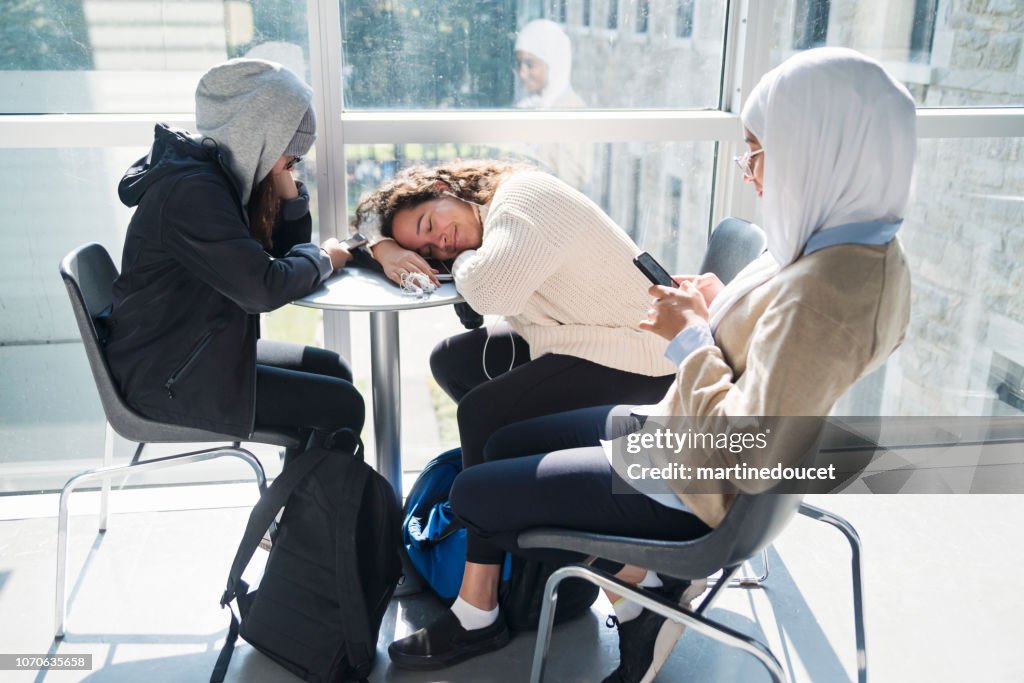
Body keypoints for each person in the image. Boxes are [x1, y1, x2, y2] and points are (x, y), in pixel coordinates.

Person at [448, 46, 916, 682]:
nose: (749, 170)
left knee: (475, 495)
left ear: (817, 148)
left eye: (758, 150)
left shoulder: (830, 293)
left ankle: (646, 588)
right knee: (501, 439)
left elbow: (748, 449)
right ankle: (644, 592)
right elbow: (779, 356)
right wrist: (721, 307)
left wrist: (692, 336)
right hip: (674, 429)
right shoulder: (841, 240)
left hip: (696, 479)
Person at [353, 162, 678, 668]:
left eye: (429, 228)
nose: (442, 245)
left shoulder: (523, 200)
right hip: (577, 335)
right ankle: (540, 519)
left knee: (485, 414)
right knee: (453, 361)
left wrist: (455, 264)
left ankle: (478, 610)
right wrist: (384, 247)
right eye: (431, 252)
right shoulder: (489, 208)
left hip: (640, 355)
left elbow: (490, 293)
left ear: (442, 189)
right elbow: (367, 221)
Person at [103, 58, 363, 459]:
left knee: (334, 372)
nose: (291, 167)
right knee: (341, 405)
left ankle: (304, 511)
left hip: (187, 352)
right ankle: (307, 518)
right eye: (289, 156)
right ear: (257, 136)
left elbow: (278, 255)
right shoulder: (192, 194)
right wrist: (324, 259)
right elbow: (262, 289)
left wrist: (284, 181)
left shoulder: (212, 176)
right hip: (166, 377)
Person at [512, 18, 592, 189]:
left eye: (530, 63)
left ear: (554, 63)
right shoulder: (531, 105)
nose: (522, 72)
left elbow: (575, 178)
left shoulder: (572, 109)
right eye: (519, 63)